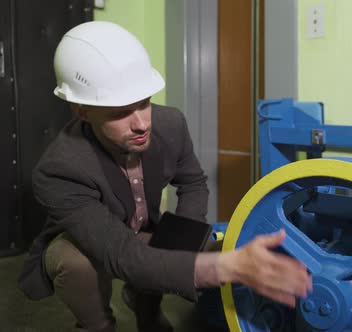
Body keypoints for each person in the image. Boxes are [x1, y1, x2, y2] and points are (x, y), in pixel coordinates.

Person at [17, 21, 311, 332]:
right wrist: (224, 267)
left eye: (144, 103)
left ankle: (147, 307)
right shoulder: (59, 169)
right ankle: (97, 325)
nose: (141, 123)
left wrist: (185, 239)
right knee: (76, 263)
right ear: (83, 111)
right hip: (88, 242)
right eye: (120, 112)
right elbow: (122, 255)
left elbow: (193, 183)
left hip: (143, 230)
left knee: (184, 246)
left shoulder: (171, 124)